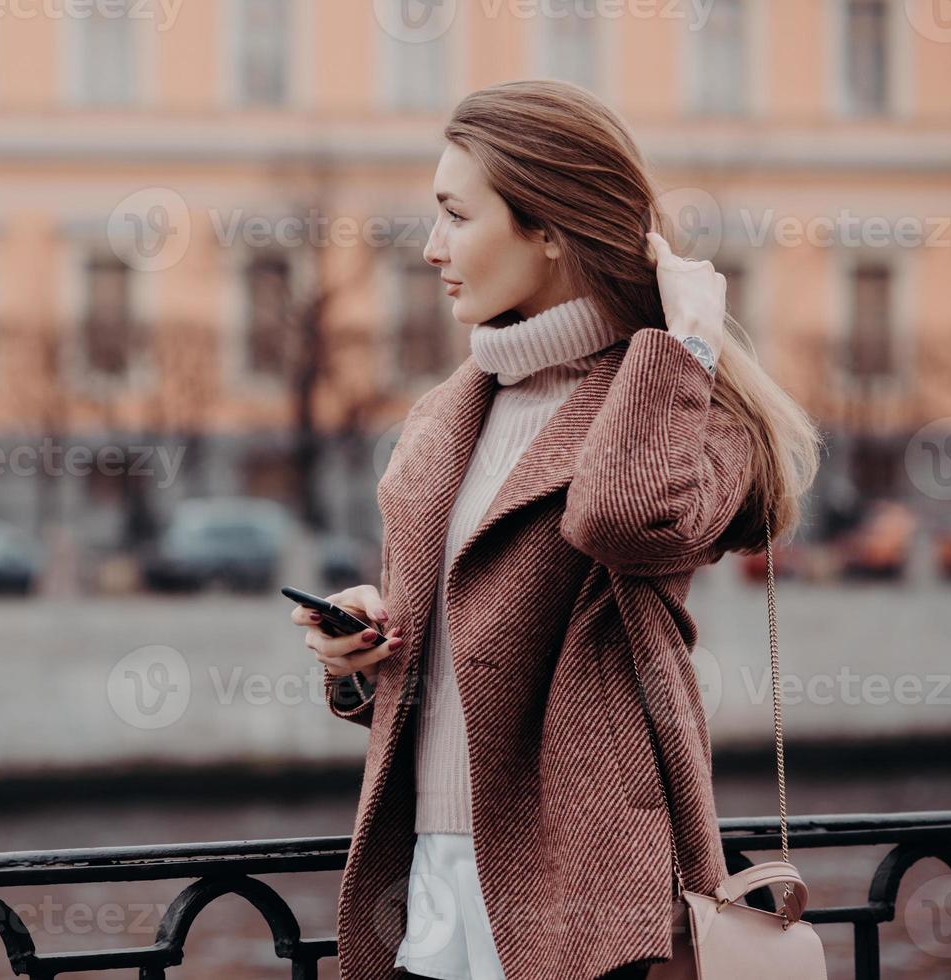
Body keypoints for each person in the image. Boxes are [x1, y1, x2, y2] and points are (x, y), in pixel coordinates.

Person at [289, 79, 821, 980]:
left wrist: (680, 347)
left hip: (590, 888)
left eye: (456, 215)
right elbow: (460, 673)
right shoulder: (441, 419)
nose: (430, 248)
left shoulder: (693, 413)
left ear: (548, 228)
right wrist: (364, 662)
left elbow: (620, 517)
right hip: (429, 877)